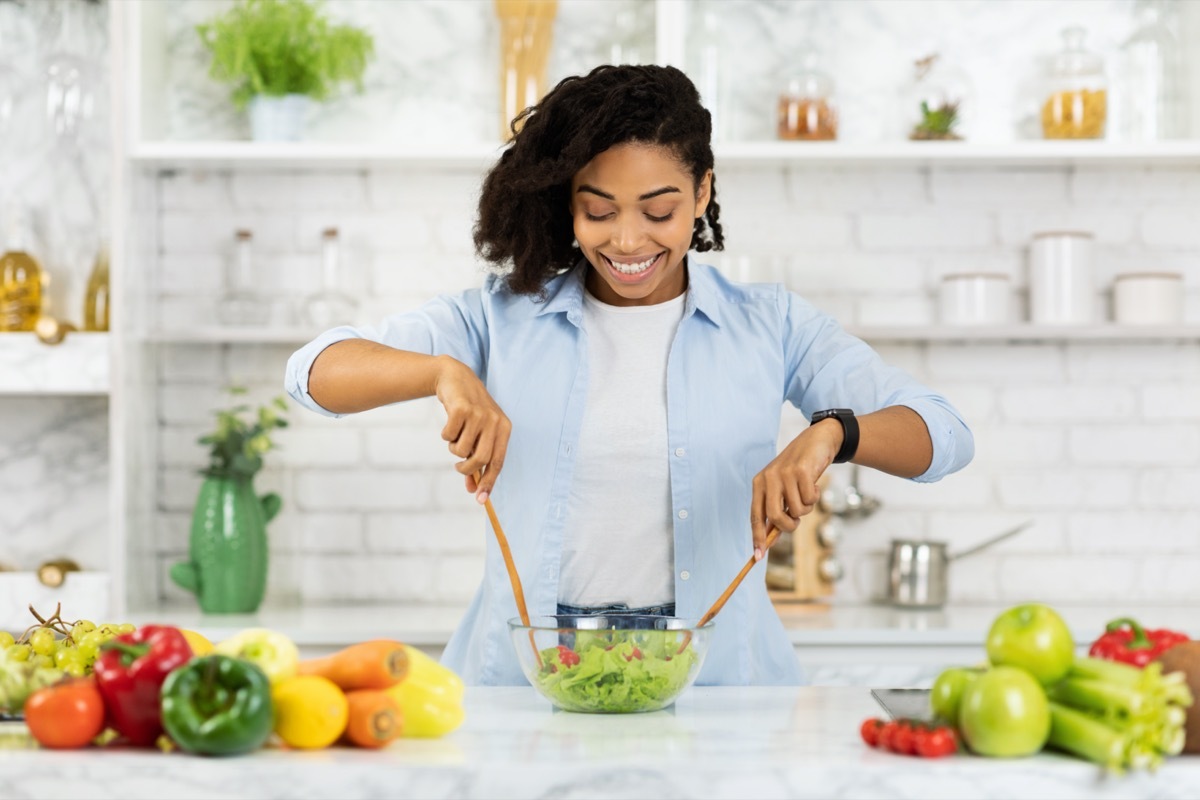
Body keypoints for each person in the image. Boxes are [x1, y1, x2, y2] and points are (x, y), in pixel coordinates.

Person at [285, 64, 973, 686]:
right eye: (599, 210)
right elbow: (313, 373)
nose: (628, 240)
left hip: (720, 694)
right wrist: (441, 373)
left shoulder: (771, 325)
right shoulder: (501, 319)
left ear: (703, 191)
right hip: (523, 695)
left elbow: (943, 435)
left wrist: (832, 433)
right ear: (568, 202)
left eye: (659, 209)